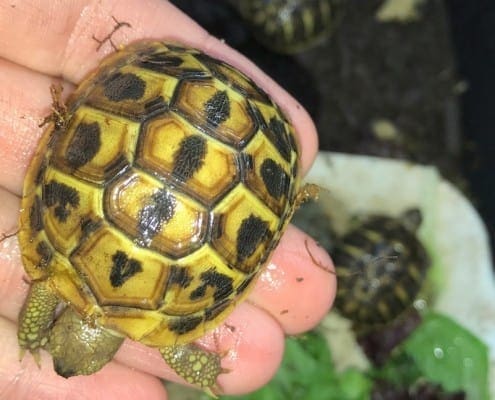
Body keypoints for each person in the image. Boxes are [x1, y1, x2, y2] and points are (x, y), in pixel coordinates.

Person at [0, 1, 336, 398]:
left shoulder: (169, 332)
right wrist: (32, 331)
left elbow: (183, 352)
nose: (67, 367)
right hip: (169, 88)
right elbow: (42, 290)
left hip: (257, 143)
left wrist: (203, 371)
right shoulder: (51, 268)